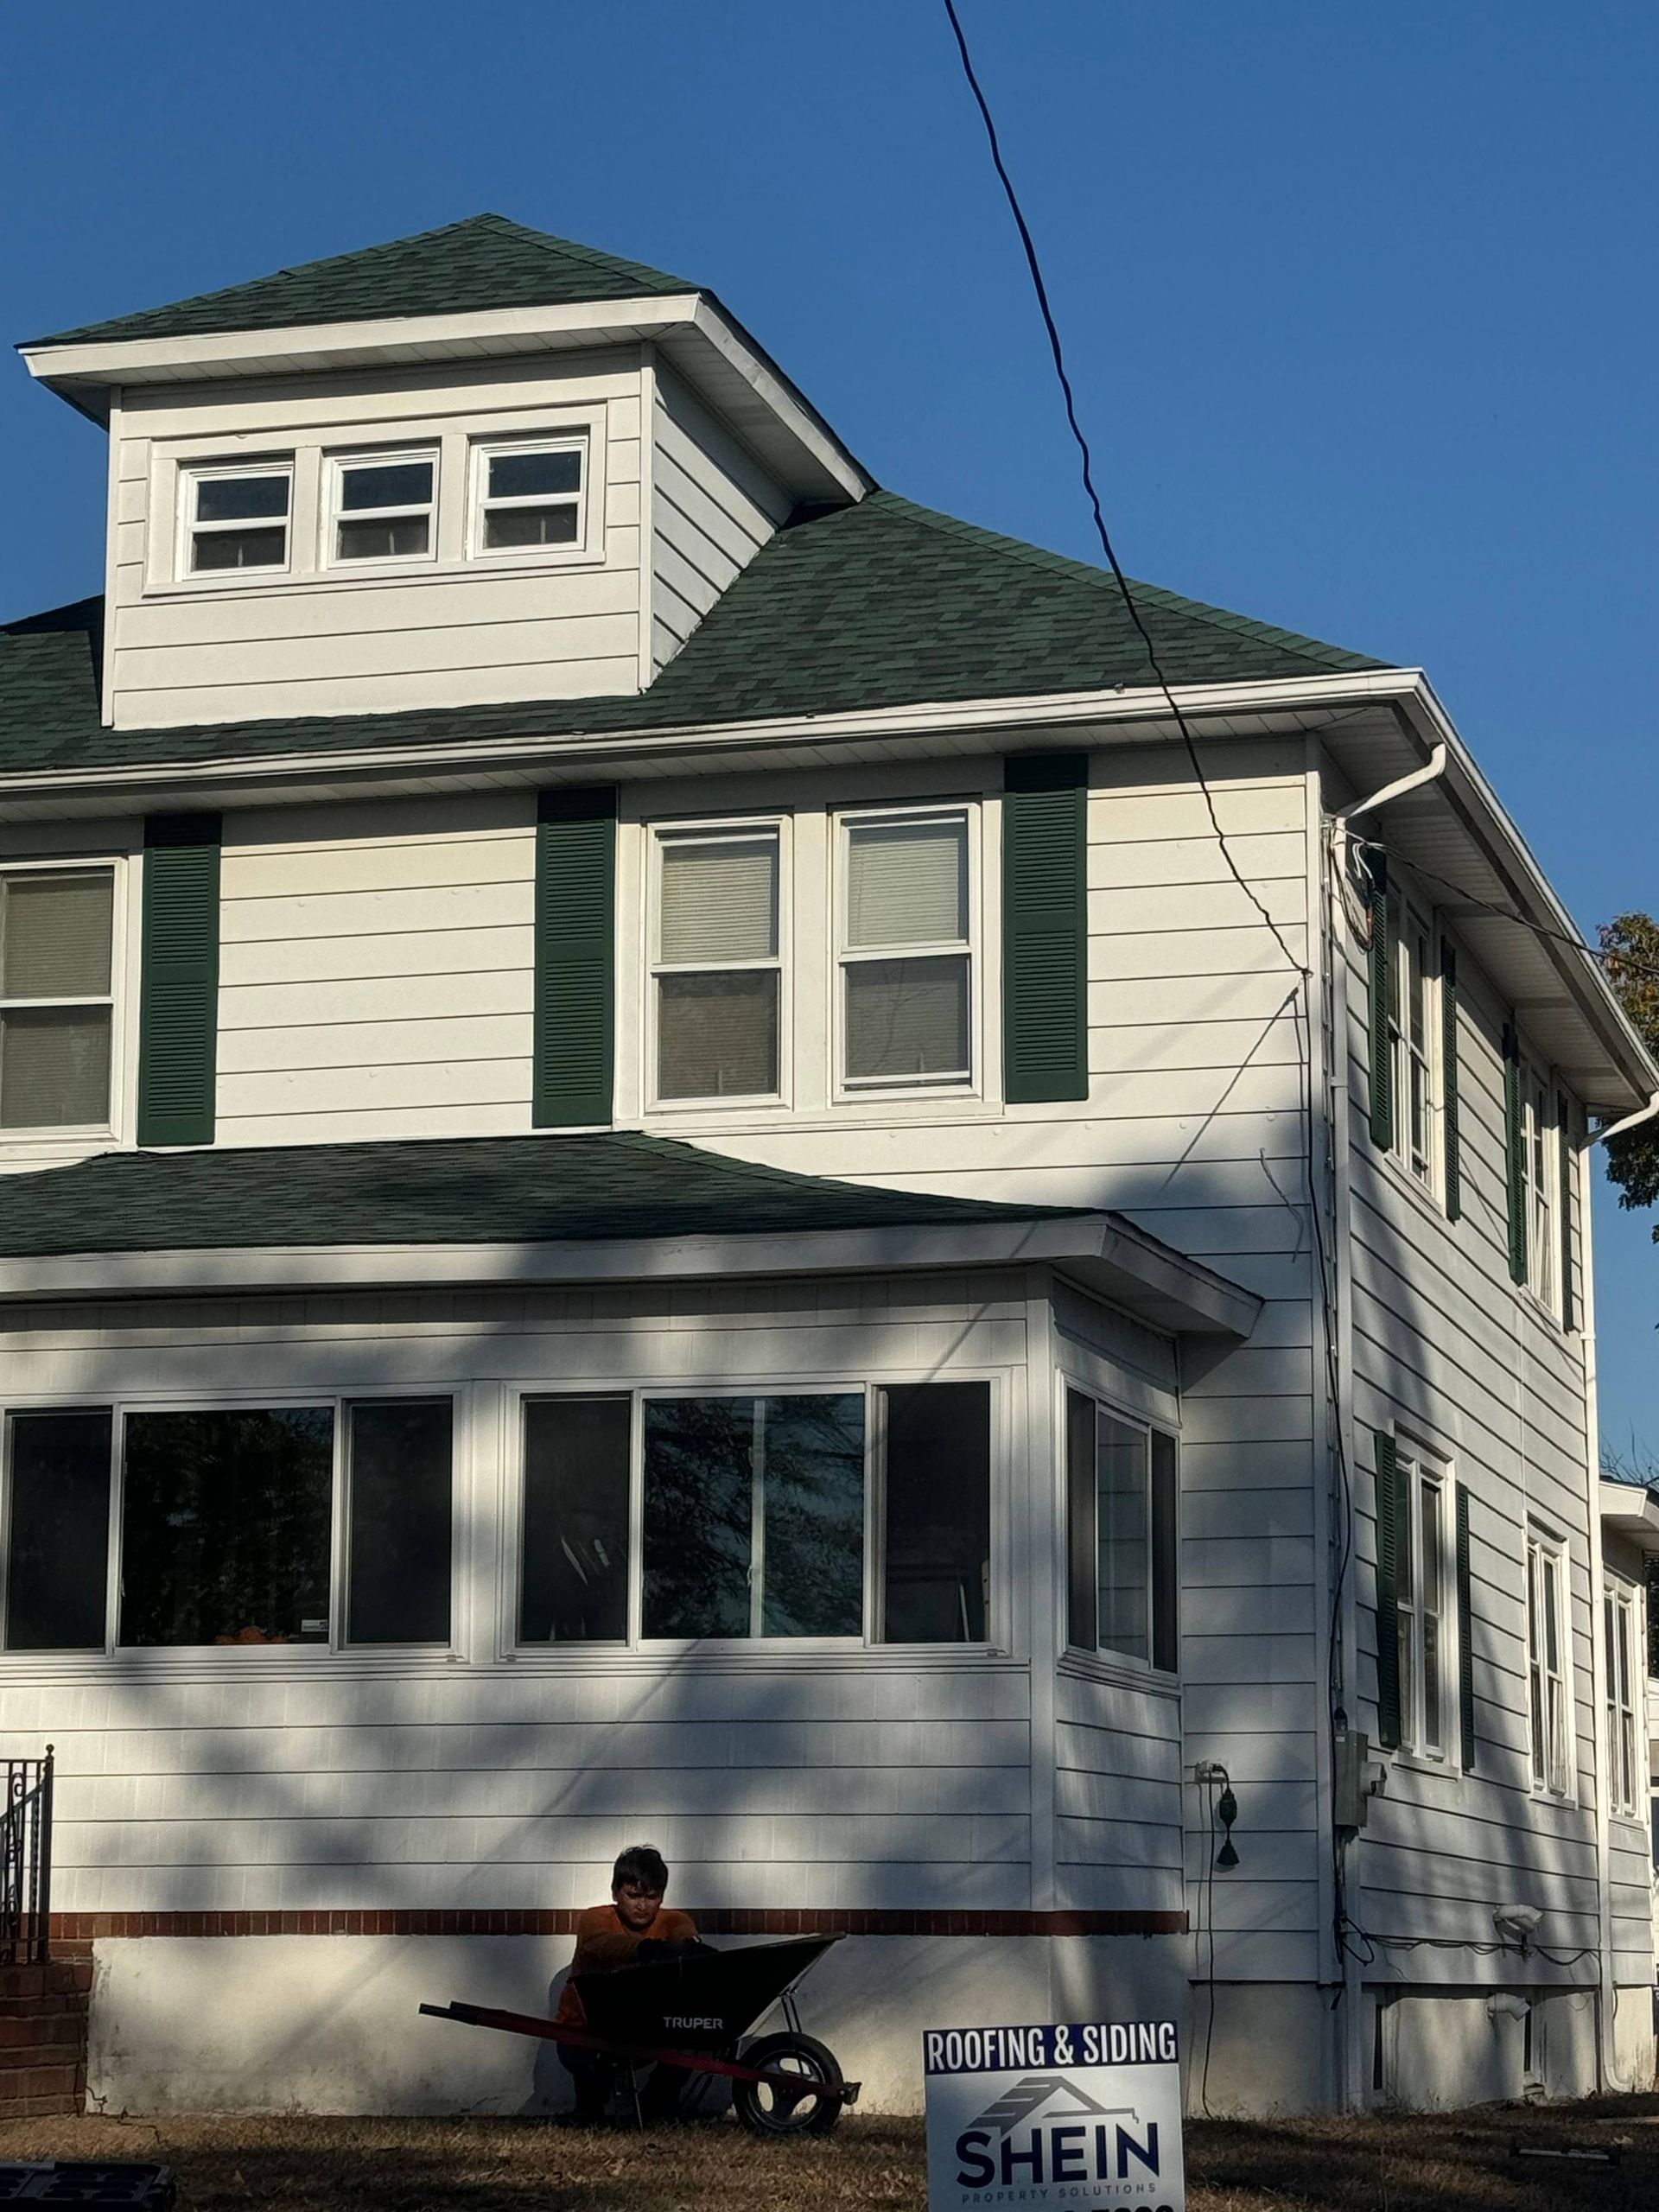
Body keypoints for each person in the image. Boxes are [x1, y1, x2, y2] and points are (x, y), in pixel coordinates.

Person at [556, 1844, 701, 2123]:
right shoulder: (595, 1918)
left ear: (661, 1897)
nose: (642, 1905)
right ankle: (589, 2105)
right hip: (584, 2029)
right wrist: (649, 1950)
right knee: (591, 2102)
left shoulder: (673, 1919)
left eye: (651, 1896)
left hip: (642, 2028)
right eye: (633, 1895)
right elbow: (604, 1945)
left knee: (693, 2035)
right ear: (615, 1892)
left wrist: (688, 1946)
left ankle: (657, 2103)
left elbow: (683, 1932)